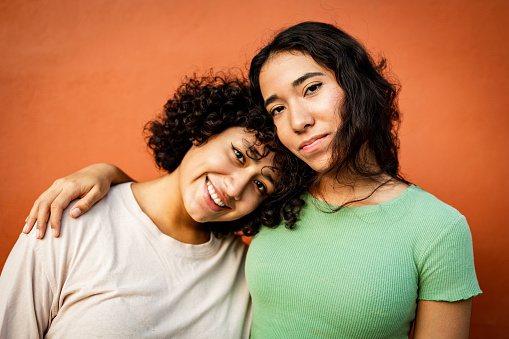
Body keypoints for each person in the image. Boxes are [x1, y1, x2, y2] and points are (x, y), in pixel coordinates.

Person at [20, 22, 481, 338]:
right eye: (277, 107)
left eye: (312, 88)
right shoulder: (275, 208)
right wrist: (105, 175)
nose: (297, 119)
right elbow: (169, 214)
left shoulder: (436, 228)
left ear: (356, 86)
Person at [0, 73, 312, 338]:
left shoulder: (246, 272)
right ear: (204, 130)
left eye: (260, 185)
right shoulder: (70, 217)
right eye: (239, 155)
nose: (234, 187)